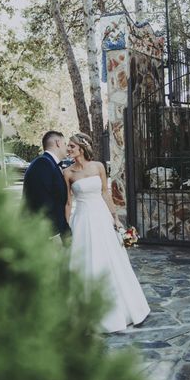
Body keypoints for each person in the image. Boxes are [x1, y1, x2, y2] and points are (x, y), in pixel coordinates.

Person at [63, 132, 150, 333]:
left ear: (82, 148)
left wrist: (115, 217)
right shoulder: (67, 173)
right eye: (68, 146)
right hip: (82, 220)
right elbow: (68, 202)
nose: (69, 150)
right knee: (84, 262)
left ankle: (125, 310)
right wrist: (66, 226)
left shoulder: (98, 167)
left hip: (101, 217)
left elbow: (104, 192)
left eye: (72, 146)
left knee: (111, 259)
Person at [23, 131, 72, 245]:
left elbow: (57, 202)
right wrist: (54, 235)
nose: (67, 148)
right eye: (65, 144)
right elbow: (42, 202)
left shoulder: (50, 164)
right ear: (58, 143)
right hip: (45, 235)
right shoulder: (43, 164)